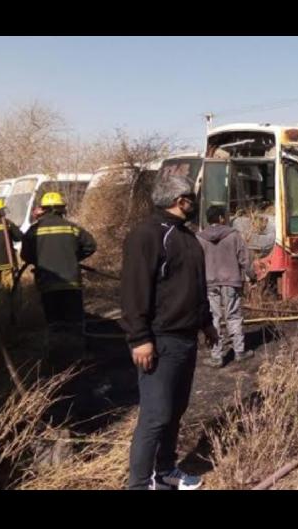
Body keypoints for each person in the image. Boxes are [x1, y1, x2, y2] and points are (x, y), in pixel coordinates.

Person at [120, 173, 219, 490]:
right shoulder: (147, 235)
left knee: (175, 411)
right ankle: (138, 484)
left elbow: (195, 288)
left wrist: (206, 323)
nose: (195, 202)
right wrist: (140, 338)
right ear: (181, 200)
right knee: (155, 415)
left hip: (185, 340)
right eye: (192, 197)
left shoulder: (187, 237)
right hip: (159, 340)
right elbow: (134, 290)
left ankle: (165, 472)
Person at [21, 192, 97, 357]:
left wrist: (40, 259)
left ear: (44, 210)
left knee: (54, 322)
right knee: (75, 320)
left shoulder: (33, 231)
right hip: (71, 283)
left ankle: (56, 355)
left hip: (47, 283)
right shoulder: (72, 228)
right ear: (62, 209)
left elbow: (25, 256)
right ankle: (79, 354)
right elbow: (91, 245)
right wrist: (73, 257)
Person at [197, 205, 256, 367]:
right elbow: (245, 259)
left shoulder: (200, 238)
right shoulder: (234, 235)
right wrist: (252, 276)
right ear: (222, 218)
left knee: (213, 318)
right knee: (233, 316)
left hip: (209, 283)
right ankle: (239, 352)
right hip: (231, 281)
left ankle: (216, 357)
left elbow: (196, 264)